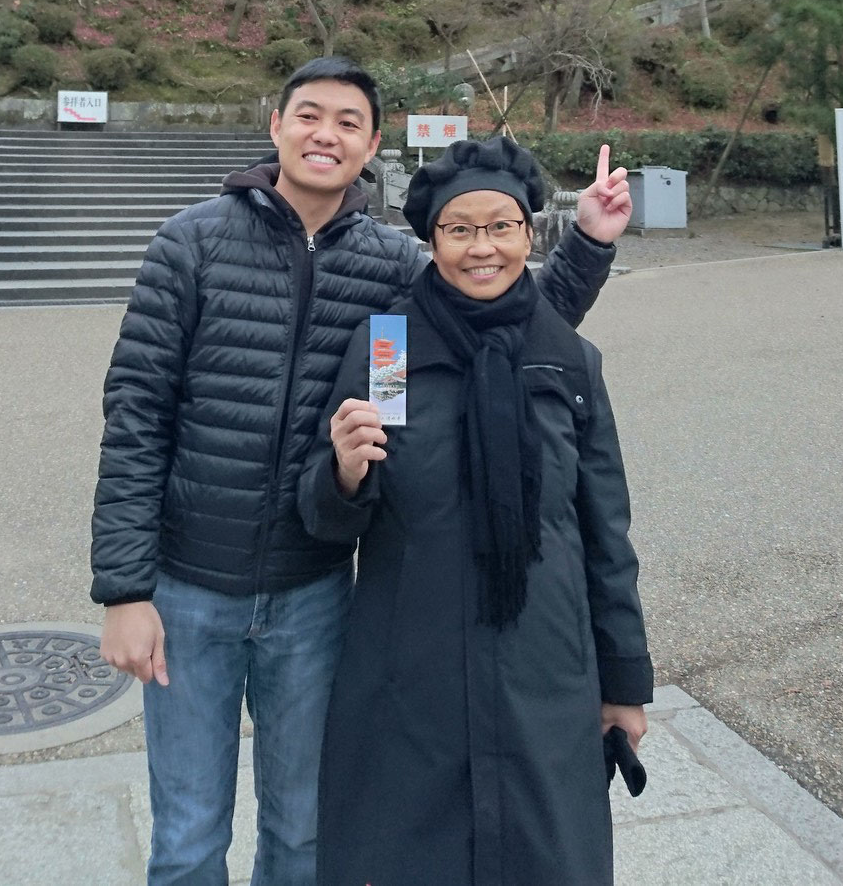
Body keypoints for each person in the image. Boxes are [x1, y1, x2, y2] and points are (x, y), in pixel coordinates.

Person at [91, 57, 631, 886]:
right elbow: (136, 414)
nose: (326, 134)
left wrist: (589, 243)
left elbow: (501, 319)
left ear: (373, 144)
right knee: (190, 835)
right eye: (310, 115)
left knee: (307, 831)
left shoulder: (388, 267)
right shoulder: (192, 241)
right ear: (275, 124)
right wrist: (125, 590)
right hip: (193, 582)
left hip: (314, 592)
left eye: (349, 122)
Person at [300, 135, 646, 886]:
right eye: (459, 230)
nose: (481, 248)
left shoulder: (562, 355)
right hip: (411, 666)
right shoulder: (389, 347)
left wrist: (624, 685)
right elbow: (332, 517)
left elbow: (604, 532)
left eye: (501, 227)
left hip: (546, 667)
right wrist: (345, 473)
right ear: (431, 241)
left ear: (530, 233)